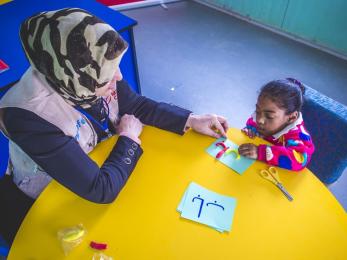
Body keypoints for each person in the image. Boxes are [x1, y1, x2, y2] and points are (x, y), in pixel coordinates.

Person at [0, 8, 228, 244]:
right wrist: (128, 139)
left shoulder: (85, 70)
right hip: (42, 205)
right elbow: (100, 189)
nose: (118, 76)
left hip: (91, 172)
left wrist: (191, 119)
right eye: (109, 75)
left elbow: (135, 105)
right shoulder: (26, 116)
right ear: (74, 76)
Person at [238, 78, 315, 171]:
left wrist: (261, 152)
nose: (259, 120)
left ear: (291, 117)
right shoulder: (259, 118)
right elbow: (251, 124)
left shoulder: (300, 136)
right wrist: (250, 130)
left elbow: (299, 160)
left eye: (269, 116)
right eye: (257, 111)